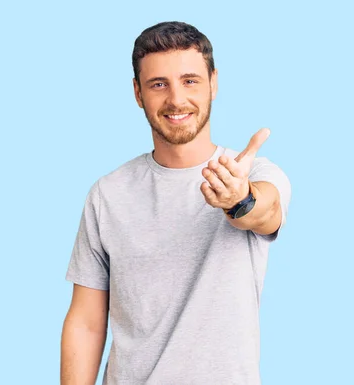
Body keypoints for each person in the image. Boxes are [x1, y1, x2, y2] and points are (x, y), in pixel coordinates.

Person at [60, 21, 291, 385]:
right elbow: (87, 323)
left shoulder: (255, 173)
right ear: (137, 93)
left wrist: (239, 199)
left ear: (213, 83)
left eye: (190, 81)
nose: (176, 99)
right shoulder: (107, 195)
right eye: (158, 84)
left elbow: (267, 213)